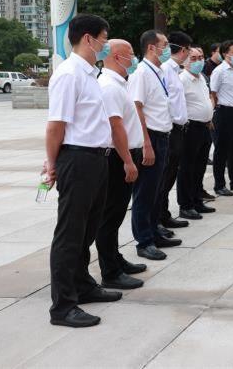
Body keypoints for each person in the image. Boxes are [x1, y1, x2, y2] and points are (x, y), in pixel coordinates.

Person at [45, 14, 119, 328]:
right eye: (104, 38)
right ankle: (62, 306)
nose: (107, 44)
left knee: (87, 230)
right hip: (77, 160)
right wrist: (52, 165)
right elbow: (55, 126)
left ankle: (82, 285)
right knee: (70, 235)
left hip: (96, 160)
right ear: (88, 38)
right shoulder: (69, 74)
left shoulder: (91, 75)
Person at [95, 39, 146, 291]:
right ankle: (110, 271)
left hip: (126, 154)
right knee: (110, 215)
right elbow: (116, 127)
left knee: (115, 215)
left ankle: (115, 258)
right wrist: (127, 160)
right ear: (117, 57)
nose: (134, 58)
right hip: (117, 159)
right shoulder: (109, 86)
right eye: (131, 54)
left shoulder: (119, 84)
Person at [129, 30, 180, 261]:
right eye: (165, 45)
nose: (167, 49)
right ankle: (144, 241)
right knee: (145, 193)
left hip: (163, 135)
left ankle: (154, 231)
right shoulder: (141, 73)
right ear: (152, 47)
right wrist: (146, 143)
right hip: (150, 137)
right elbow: (137, 108)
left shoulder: (157, 71)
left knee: (158, 190)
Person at [177, 46, 217, 219]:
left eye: (200, 57)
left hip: (205, 126)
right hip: (190, 127)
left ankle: (197, 199)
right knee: (187, 167)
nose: (198, 61)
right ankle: (185, 205)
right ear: (185, 60)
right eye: (193, 58)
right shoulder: (182, 79)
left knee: (200, 166)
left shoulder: (202, 78)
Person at [158, 31, 192, 230]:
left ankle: (163, 214)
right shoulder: (165, 69)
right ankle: (159, 217)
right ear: (184, 49)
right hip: (170, 129)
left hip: (178, 129)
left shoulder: (174, 70)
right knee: (164, 176)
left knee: (170, 175)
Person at [210, 40, 233, 195]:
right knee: (222, 150)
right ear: (225, 54)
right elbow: (213, 93)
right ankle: (219, 184)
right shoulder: (219, 71)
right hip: (224, 112)